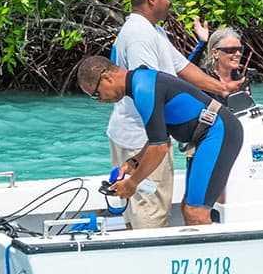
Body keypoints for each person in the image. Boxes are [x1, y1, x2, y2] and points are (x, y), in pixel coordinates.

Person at [109, 0, 239, 231]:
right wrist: (157, 140)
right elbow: (145, 88)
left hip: (140, 132)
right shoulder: (139, 36)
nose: (170, 2)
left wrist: (221, 88)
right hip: (142, 135)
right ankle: (152, 267)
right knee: (151, 212)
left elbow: (181, 68)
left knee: (141, 210)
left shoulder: (153, 31)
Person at [76, 56, 241, 229]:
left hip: (219, 131)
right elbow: (160, 139)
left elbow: (160, 148)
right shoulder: (140, 83)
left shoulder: (143, 89)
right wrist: (133, 162)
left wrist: (132, 183)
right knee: (187, 208)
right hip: (205, 135)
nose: (100, 100)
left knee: (196, 213)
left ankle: (219, 254)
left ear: (106, 77)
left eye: (96, 94)